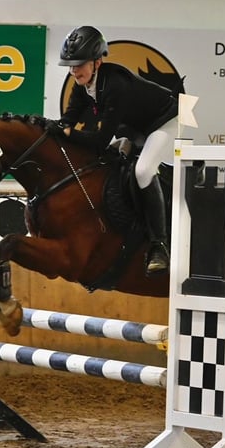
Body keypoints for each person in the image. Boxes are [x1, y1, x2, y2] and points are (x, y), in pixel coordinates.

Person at [52, 25, 178, 276]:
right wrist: (52, 129)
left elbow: (99, 140)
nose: (74, 70)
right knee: (113, 162)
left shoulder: (115, 85)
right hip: (137, 126)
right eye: (71, 65)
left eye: (79, 64)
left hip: (166, 120)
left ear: (97, 62)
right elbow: (67, 121)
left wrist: (68, 133)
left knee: (143, 171)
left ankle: (159, 246)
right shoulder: (82, 86)